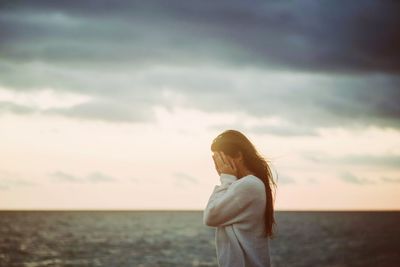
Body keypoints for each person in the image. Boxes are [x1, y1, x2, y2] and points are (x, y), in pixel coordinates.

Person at [203, 129, 277, 267]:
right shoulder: (245, 184)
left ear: (238, 155)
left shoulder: (249, 184)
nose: (217, 164)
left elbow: (210, 216)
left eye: (220, 158)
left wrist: (226, 178)